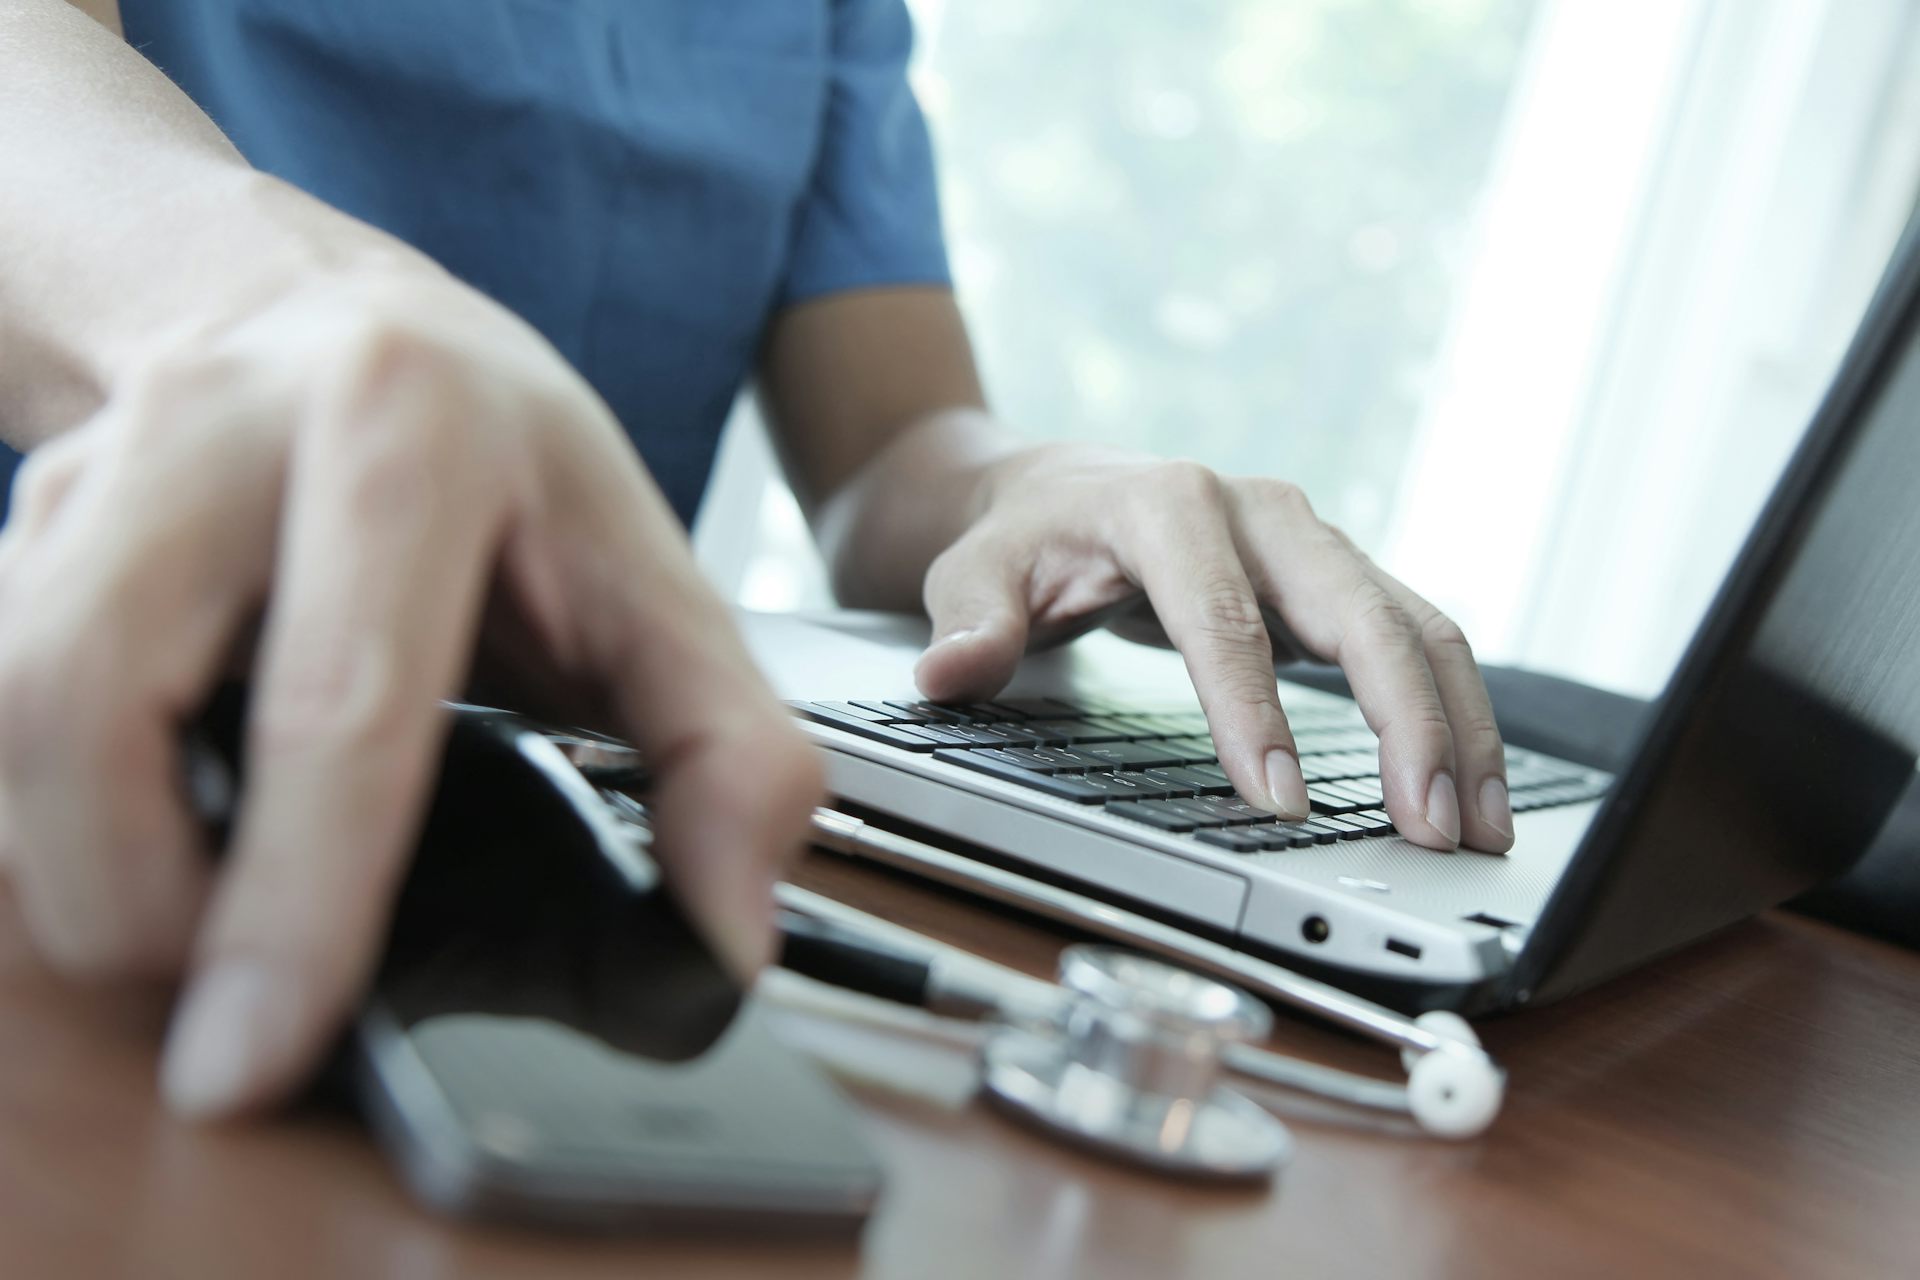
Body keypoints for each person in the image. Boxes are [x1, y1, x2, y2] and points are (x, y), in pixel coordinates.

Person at [0, 0, 1512, 1122]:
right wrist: (280, 310)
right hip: (91, 793)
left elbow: (886, 455)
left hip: (566, 881)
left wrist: (1043, 487)